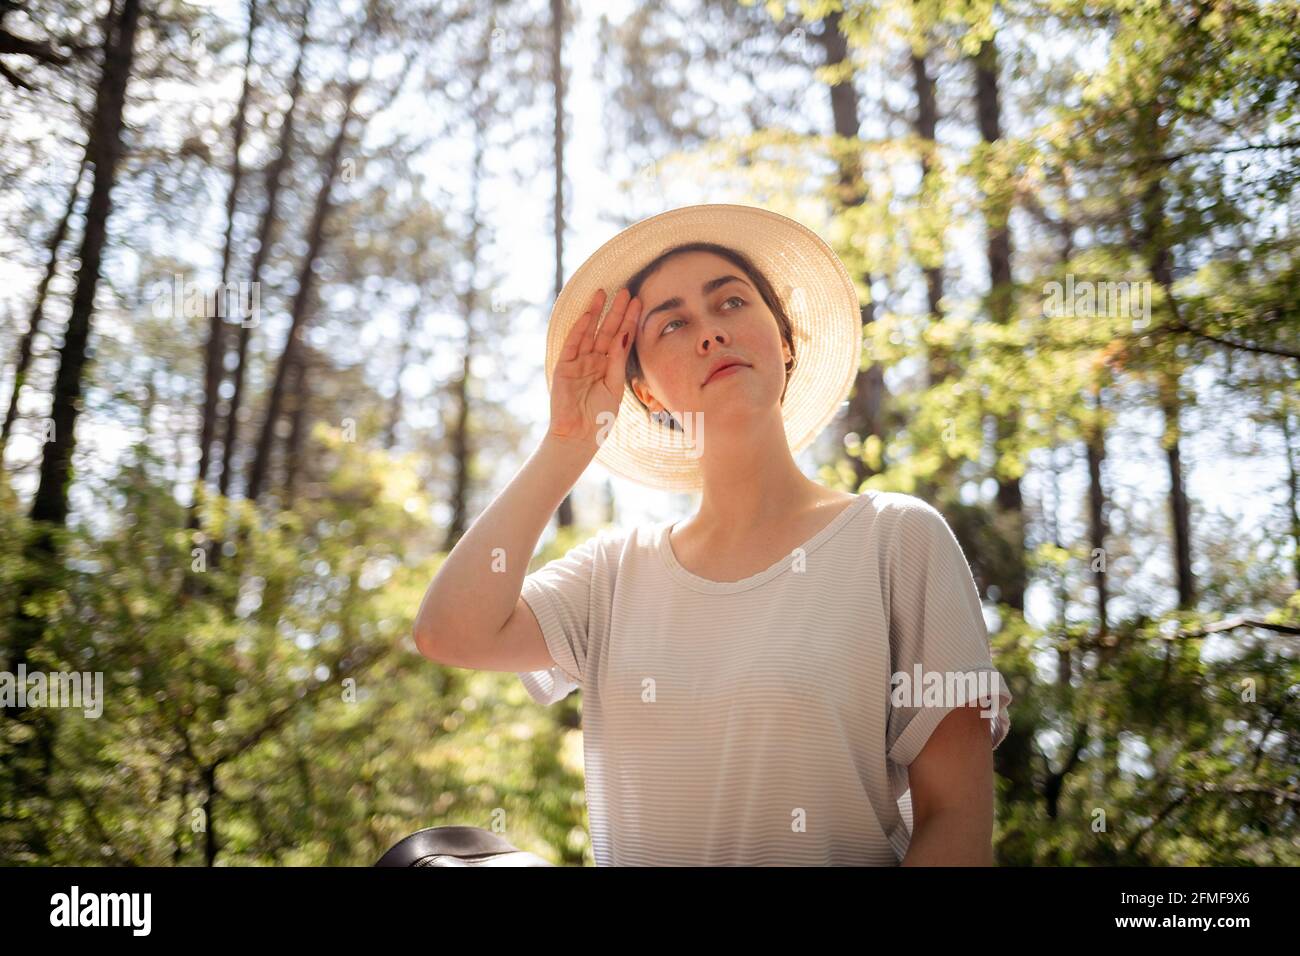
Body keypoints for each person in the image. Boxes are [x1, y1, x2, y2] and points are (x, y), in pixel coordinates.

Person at [413, 203, 1013, 866]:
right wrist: (569, 442)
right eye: (672, 323)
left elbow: (954, 821)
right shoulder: (613, 573)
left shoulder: (896, 538)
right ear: (644, 392)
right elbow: (448, 632)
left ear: (785, 339)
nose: (708, 333)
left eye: (731, 302)